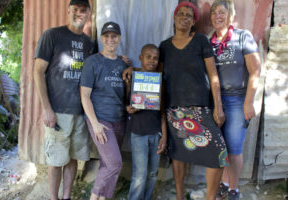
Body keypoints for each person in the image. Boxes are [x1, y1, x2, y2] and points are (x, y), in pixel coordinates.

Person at [159, 2, 229, 200]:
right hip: (175, 111)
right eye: (180, 14)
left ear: (194, 21)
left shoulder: (200, 41)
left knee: (218, 152)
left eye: (189, 15)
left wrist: (218, 107)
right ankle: (180, 196)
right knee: (178, 155)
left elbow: (213, 74)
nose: (184, 18)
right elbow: (157, 79)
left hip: (201, 109)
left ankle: (210, 197)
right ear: (174, 18)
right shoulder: (164, 46)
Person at [33, 0, 94, 199]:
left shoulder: (88, 44)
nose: (78, 13)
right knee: (56, 161)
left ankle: (66, 197)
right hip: (58, 111)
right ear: (68, 11)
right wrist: (47, 108)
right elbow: (38, 72)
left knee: (73, 158)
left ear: (88, 14)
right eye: (75, 9)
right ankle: (54, 197)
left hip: (80, 111)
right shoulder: (52, 35)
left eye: (82, 10)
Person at [209, 1, 261, 199]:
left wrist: (249, 102)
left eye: (221, 12)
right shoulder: (209, 41)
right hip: (216, 100)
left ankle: (233, 188)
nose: (217, 16)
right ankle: (222, 184)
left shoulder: (242, 37)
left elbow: (255, 70)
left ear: (230, 15)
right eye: (214, 12)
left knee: (233, 148)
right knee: (220, 147)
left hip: (237, 100)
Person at [80, 21, 127, 200]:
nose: (110, 39)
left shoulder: (123, 64)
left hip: (120, 120)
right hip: (101, 120)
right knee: (115, 164)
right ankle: (93, 197)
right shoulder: (93, 62)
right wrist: (95, 124)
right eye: (106, 36)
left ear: (119, 38)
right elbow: (84, 95)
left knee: (108, 164)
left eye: (114, 36)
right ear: (102, 38)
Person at [126, 44, 167, 200]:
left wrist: (164, 136)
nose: (152, 60)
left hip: (156, 133)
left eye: (155, 58)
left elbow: (163, 111)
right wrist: (129, 108)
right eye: (148, 56)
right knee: (140, 174)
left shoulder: (160, 82)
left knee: (152, 173)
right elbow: (126, 103)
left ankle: (147, 197)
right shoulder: (132, 78)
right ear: (140, 58)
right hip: (138, 132)